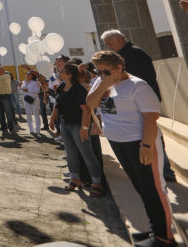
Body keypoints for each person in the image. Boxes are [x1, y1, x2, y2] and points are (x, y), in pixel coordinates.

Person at [87, 50, 174, 247]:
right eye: (98, 71)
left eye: (106, 72)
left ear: (119, 68)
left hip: (140, 142)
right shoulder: (100, 83)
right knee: (140, 187)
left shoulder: (138, 86)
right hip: (119, 142)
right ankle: (155, 229)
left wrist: (146, 145)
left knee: (154, 190)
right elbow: (91, 103)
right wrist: (103, 84)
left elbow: (151, 117)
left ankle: (164, 238)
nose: (101, 75)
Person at [102, 29, 176, 182]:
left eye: (110, 43)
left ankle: (164, 168)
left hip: (142, 100)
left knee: (150, 131)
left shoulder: (134, 54)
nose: (108, 46)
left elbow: (136, 78)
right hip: (132, 101)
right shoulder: (122, 55)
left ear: (120, 39)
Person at [49, 63, 104, 196]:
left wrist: (84, 128)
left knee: (87, 153)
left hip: (79, 125)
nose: (59, 72)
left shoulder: (78, 89)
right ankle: (75, 179)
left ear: (69, 75)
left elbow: (86, 110)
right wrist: (52, 119)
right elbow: (58, 105)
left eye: (62, 71)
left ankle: (97, 183)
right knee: (70, 152)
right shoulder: (62, 86)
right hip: (65, 124)